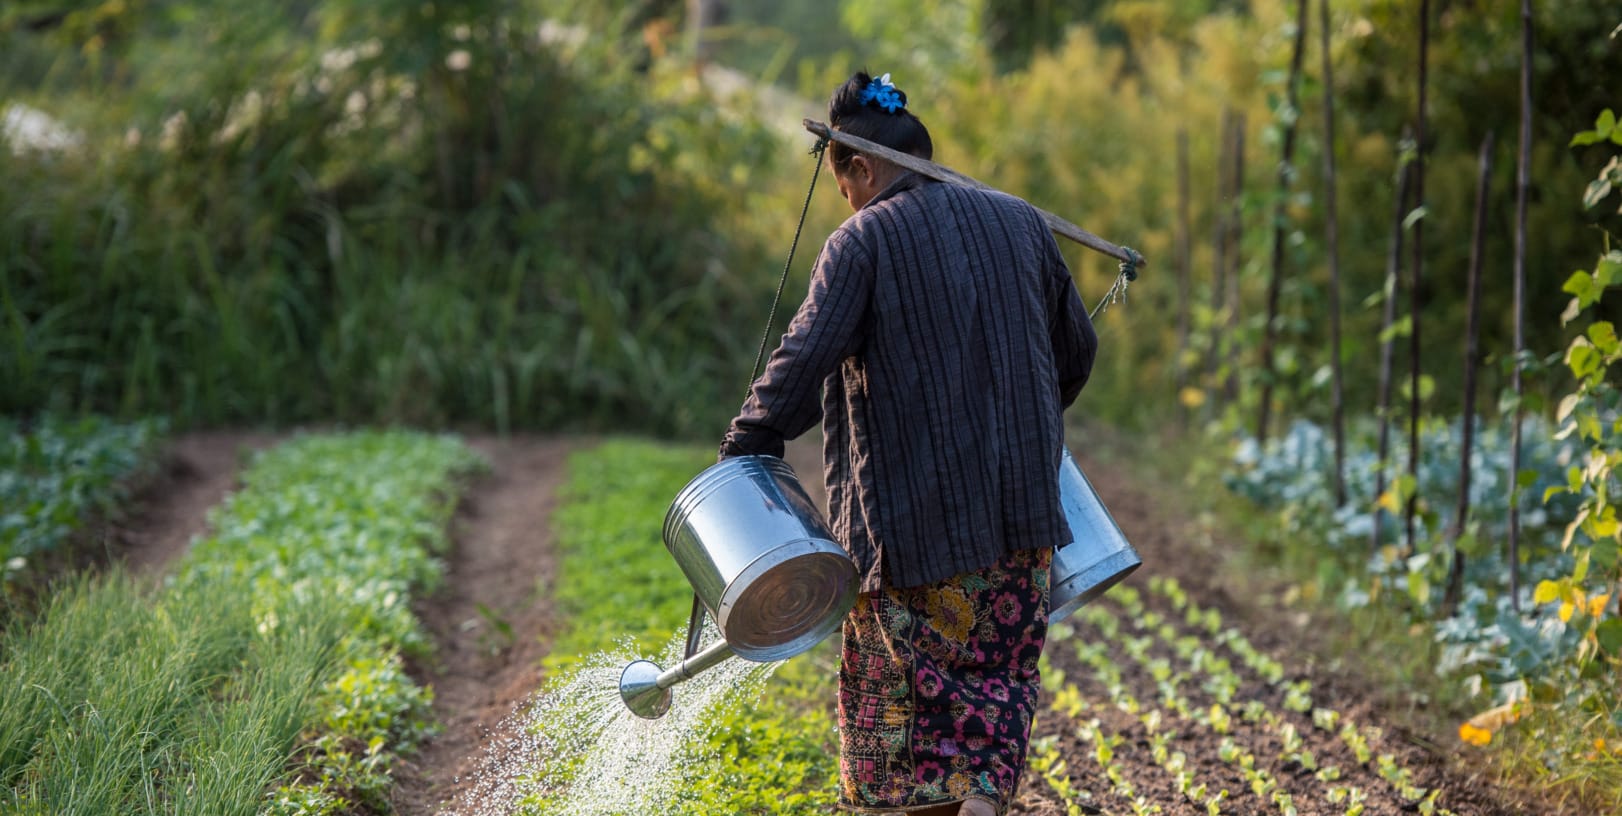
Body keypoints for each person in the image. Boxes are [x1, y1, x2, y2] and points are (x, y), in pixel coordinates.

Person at [718, 71, 1097, 816]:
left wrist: (744, 446)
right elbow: (1075, 351)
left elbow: (802, 363)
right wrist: (1019, 427)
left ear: (861, 168)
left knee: (900, 741)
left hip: (912, 536)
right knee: (994, 694)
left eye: (844, 187)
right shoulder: (1021, 222)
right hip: (1022, 530)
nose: (847, 203)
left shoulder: (863, 241)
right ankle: (984, 801)